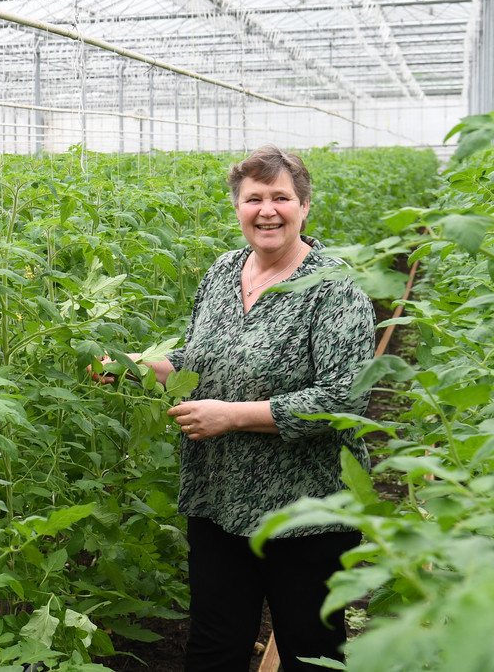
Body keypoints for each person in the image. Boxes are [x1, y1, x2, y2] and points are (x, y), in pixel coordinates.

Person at [104, 146, 374, 672]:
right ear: (238, 208)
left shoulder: (333, 287)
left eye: (281, 197)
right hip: (218, 499)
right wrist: (134, 364)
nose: (267, 210)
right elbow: (196, 362)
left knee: (311, 651)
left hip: (306, 510)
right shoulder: (224, 272)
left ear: (305, 207)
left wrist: (231, 416)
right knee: (213, 645)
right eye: (254, 198)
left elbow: (344, 397)